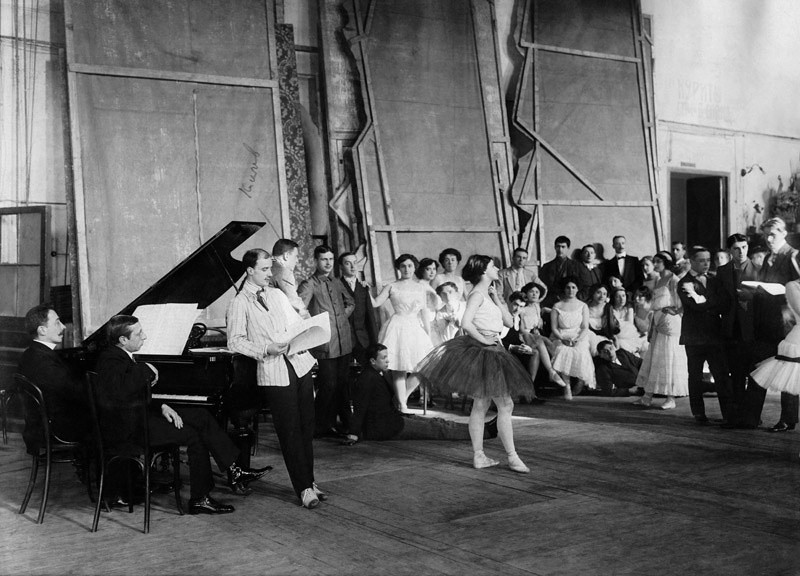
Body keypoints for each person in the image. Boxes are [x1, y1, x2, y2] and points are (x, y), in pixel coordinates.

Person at [96, 315, 268, 515]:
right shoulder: (110, 360)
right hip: (130, 429)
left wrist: (161, 406)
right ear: (123, 340)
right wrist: (145, 369)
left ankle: (235, 470)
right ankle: (200, 499)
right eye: (139, 333)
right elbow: (121, 393)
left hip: (138, 418)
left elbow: (132, 395)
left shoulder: (120, 355)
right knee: (194, 435)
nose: (145, 336)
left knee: (201, 416)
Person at [416, 255, 533, 473]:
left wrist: (498, 297)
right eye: (492, 266)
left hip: (493, 348)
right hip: (485, 350)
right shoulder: (477, 294)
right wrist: (484, 340)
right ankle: (512, 457)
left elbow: (509, 322)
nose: (497, 268)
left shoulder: (487, 294)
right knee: (505, 405)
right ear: (483, 271)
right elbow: (466, 323)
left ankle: (480, 455)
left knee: (482, 405)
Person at [227, 248, 325, 509]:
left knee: (306, 428)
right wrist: (264, 350)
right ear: (249, 271)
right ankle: (303, 489)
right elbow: (234, 341)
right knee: (290, 432)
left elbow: (295, 324)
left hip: (300, 364)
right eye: (264, 269)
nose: (270, 274)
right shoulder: (239, 302)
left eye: (271, 269)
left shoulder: (277, 294)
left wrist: (306, 335)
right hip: (272, 371)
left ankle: (310, 481)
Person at [344, 344, 481, 443]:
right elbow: (359, 407)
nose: (388, 361)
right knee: (437, 428)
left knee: (437, 422)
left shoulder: (377, 374)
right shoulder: (366, 378)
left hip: (392, 420)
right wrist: (353, 433)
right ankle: (482, 432)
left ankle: (481, 428)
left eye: (387, 357)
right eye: (383, 358)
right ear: (373, 361)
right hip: (386, 428)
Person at [741, 218, 800, 431]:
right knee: (758, 367)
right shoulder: (768, 259)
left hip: (787, 323)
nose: (769, 239)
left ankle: (787, 419)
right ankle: (751, 418)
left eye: (773, 234)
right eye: (766, 234)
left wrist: (784, 291)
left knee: (789, 370)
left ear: (784, 233)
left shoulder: (793, 256)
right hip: (765, 321)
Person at [17, 304, 90, 455]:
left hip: (43, 427)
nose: (63, 327)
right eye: (57, 322)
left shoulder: (32, 354)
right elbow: (71, 390)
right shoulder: (42, 360)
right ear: (42, 330)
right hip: (55, 431)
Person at [298, 245, 355, 437]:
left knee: (342, 384)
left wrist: (340, 319)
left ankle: (342, 424)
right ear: (315, 261)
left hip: (344, 342)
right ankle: (318, 426)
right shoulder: (309, 284)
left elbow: (351, 302)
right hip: (324, 345)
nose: (328, 263)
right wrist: (320, 326)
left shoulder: (337, 282)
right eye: (324, 259)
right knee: (328, 386)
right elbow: (299, 312)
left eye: (331, 259)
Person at [676, 246, 736, 425]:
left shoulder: (714, 280)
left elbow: (725, 303)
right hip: (694, 337)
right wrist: (713, 303)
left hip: (714, 335)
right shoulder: (684, 282)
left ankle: (728, 414)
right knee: (695, 375)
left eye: (708, 260)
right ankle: (698, 413)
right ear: (692, 261)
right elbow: (696, 305)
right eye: (701, 260)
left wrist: (707, 302)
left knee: (722, 375)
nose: (706, 264)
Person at [372, 254, 435, 412]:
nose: (407, 269)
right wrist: (365, 289)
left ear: (415, 268)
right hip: (397, 326)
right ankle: (402, 405)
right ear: (398, 268)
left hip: (415, 327)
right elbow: (375, 303)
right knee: (398, 367)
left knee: (423, 366)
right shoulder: (391, 286)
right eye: (403, 266)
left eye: (410, 266)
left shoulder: (421, 287)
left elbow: (424, 312)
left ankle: (399, 398)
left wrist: (427, 334)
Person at [632, 251, 688, 410]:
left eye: (658, 261)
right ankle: (647, 397)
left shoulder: (673, 279)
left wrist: (675, 311)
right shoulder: (659, 280)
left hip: (670, 322)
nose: (655, 264)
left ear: (666, 262)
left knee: (668, 358)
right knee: (655, 358)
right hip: (658, 320)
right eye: (654, 261)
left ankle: (671, 398)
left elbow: (680, 303)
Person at [716, 234, 758, 420]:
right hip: (731, 330)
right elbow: (721, 299)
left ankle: (752, 416)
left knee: (754, 374)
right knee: (735, 373)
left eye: (744, 247)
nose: (741, 252)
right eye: (736, 248)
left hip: (753, 330)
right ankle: (737, 415)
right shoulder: (723, 271)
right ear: (729, 251)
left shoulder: (758, 269)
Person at [750, 280, 800, 425]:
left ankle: (788, 419)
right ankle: (787, 420)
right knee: (791, 377)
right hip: (798, 337)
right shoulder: (793, 286)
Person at [504, 289, 564, 398]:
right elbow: (498, 339)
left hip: (516, 347)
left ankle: (528, 390)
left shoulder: (517, 317)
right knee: (538, 344)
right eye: (515, 305)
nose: (517, 309)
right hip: (504, 350)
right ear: (509, 302)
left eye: (521, 306)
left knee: (535, 351)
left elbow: (517, 336)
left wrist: (525, 347)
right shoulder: (504, 317)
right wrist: (513, 347)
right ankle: (530, 390)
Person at [550, 276, 596, 399]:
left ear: (577, 289)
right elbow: (554, 328)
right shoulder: (557, 306)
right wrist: (561, 338)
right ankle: (567, 386)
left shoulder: (583, 306)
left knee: (581, 350)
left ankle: (580, 381)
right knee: (562, 350)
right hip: (561, 335)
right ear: (564, 289)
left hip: (578, 335)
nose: (571, 290)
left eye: (573, 287)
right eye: (568, 287)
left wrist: (577, 339)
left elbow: (585, 327)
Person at [338, 251, 378, 367]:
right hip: (343, 342)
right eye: (348, 263)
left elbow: (370, 316)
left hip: (364, 341)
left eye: (355, 263)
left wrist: (374, 343)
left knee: (367, 375)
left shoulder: (363, 287)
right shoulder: (335, 286)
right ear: (341, 266)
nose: (352, 266)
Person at [271, 238, 309, 318]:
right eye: (295, 256)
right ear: (286, 255)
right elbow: (297, 305)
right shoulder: (283, 271)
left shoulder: (268, 267)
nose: (297, 261)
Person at [540, 236, 580, 308]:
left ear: (568, 248)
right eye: (558, 246)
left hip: (571, 302)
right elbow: (542, 286)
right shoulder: (546, 267)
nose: (560, 249)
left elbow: (580, 285)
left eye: (563, 247)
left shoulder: (576, 266)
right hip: (551, 302)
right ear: (555, 247)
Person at [604, 287, 644, 355]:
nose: (622, 299)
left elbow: (630, 327)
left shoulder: (629, 309)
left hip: (630, 336)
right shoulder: (611, 310)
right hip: (616, 336)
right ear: (614, 298)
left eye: (623, 296)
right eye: (618, 297)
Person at [431, 282, 465, 346]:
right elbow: (445, 339)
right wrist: (452, 323)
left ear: (457, 293)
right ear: (440, 297)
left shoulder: (466, 306)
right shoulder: (440, 314)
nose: (447, 296)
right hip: (454, 346)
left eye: (450, 292)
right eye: (444, 294)